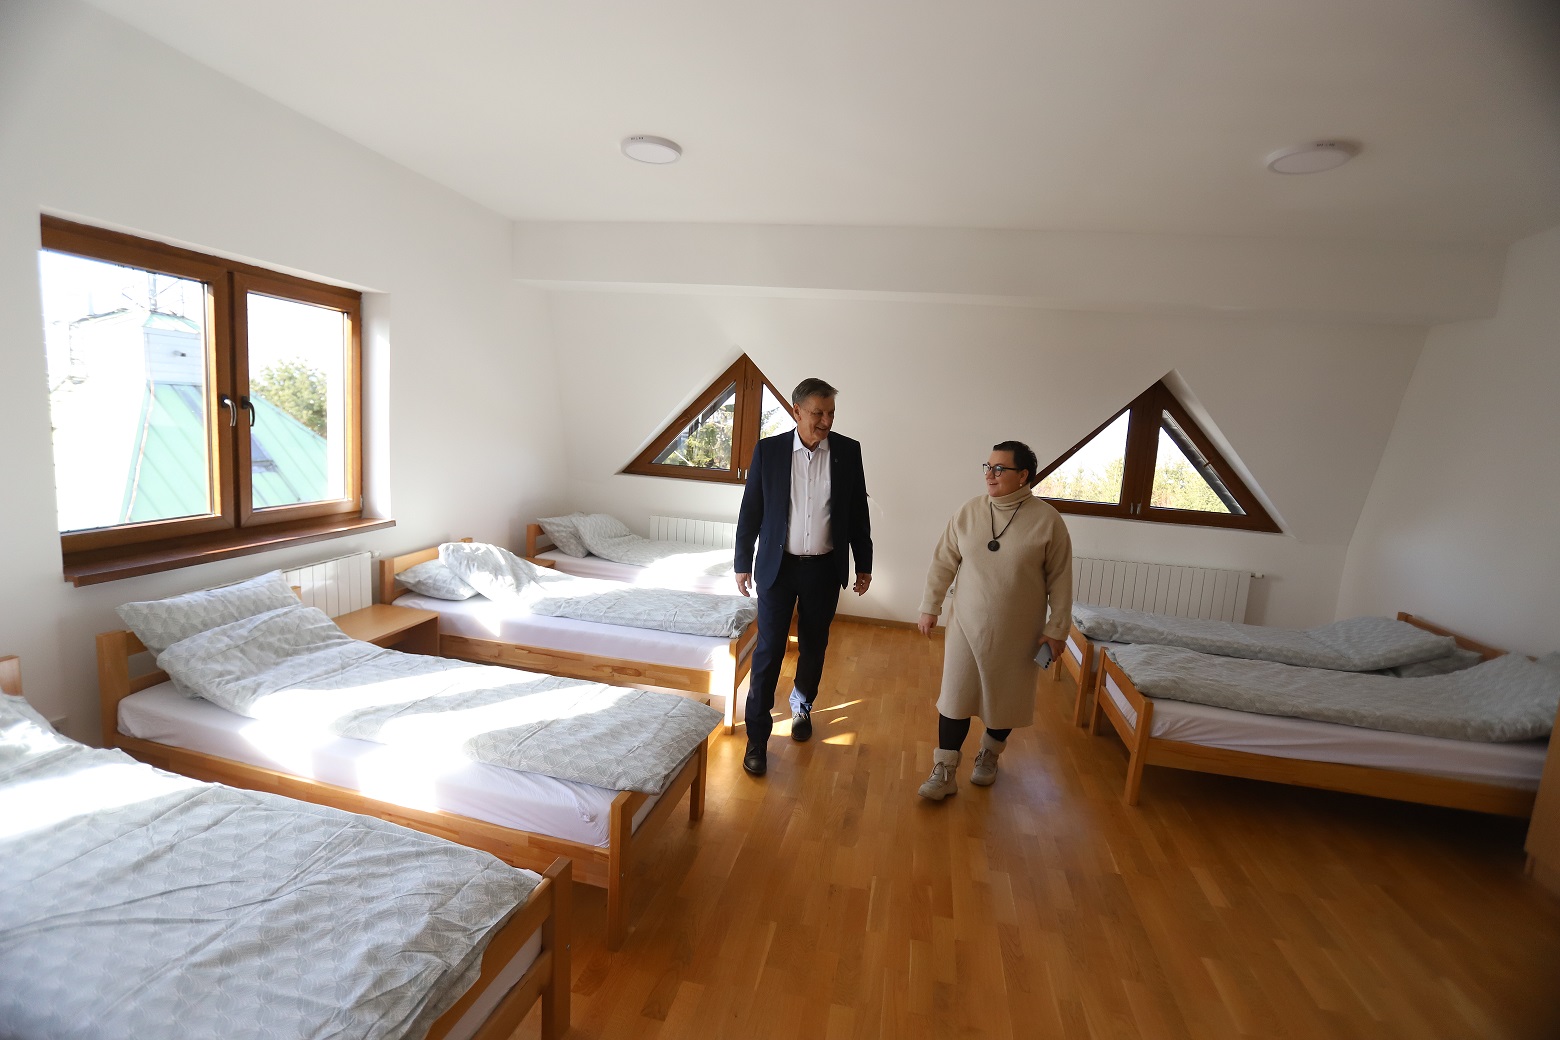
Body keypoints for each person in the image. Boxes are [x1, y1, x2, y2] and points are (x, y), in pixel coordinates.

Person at [914, 441, 1073, 800]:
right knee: (955, 697)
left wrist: (1057, 630)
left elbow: (1061, 580)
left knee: (1006, 698)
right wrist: (930, 606)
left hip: (1019, 633)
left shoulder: (1047, 521)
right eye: (987, 466)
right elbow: (943, 562)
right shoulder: (969, 512)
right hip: (966, 626)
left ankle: (989, 754)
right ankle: (945, 771)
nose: (990, 474)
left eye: (1000, 468)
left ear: (1023, 475)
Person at [734, 378, 872, 777]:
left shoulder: (847, 451)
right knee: (768, 652)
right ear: (796, 411)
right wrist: (742, 561)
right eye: (817, 413)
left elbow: (857, 511)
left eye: (831, 413)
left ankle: (802, 706)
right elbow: (752, 510)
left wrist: (864, 563)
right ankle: (757, 738)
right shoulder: (770, 451)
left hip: (824, 569)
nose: (825, 421)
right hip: (777, 569)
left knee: (814, 646)